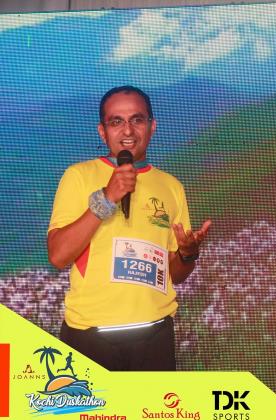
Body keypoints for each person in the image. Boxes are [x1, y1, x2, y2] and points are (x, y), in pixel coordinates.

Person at [47, 86, 211, 371]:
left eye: (137, 119)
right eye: (116, 121)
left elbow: (175, 275)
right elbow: (58, 256)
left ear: (152, 126)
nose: (127, 130)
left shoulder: (171, 186)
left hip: (155, 333)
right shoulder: (78, 176)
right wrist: (107, 198)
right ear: (102, 131)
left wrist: (187, 254)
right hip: (90, 334)